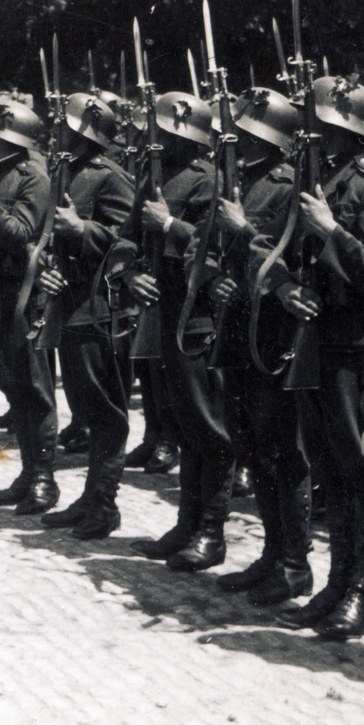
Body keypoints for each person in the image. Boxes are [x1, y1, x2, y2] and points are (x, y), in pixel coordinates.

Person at [263, 77, 364, 639]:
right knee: (329, 468)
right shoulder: (318, 176)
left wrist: (333, 231)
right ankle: (337, 584)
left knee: (361, 470)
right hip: (314, 338)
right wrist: (286, 285)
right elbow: (284, 249)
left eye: (316, 120)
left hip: (354, 343)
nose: (305, 129)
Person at [205, 88, 310, 606]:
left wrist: (242, 231)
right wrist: (214, 280)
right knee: (252, 443)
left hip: (273, 331)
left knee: (280, 449)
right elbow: (213, 251)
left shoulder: (287, 186)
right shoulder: (237, 182)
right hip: (239, 326)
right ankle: (272, 553)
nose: (237, 138)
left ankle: (294, 562)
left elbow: (283, 257)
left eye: (247, 132)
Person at [122, 93, 225, 567]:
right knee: (182, 423)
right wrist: (129, 275)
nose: (156, 137)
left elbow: (216, 250)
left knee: (207, 426)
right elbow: (126, 239)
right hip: (162, 310)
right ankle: (186, 524)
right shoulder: (154, 176)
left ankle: (210, 530)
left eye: (165, 130)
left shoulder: (209, 180)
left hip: (197, 314)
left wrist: (169, 225)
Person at [35, 93, 136, 540]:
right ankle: (91, 497)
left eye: (65, 126)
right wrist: (45, 268)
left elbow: (130, 242)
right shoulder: (64, 171)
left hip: (102, 309)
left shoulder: (110, 177)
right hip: (70, 305)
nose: (55, 131)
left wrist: (83, 230)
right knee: (86, 408)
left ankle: (104, 505)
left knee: (107, 411)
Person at [0, 100, 57, 513]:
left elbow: (22, 232)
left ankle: (44, 478)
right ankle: (25, 472)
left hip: (27, 296)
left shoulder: (33, 178)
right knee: (12, 385)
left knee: (36, 389)